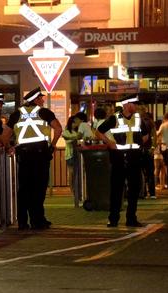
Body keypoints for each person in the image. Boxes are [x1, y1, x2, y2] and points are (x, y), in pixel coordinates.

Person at [7, 87, 62, 230]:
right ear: (35, 100)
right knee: (39, 188)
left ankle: (23, 222)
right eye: (41, 98)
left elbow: (5, 134)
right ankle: (38, 220)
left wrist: (10, 146)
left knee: (24, 189)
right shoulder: (43, 112)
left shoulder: (16, 114)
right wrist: (53, 144)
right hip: (40, 154)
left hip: (23, 154)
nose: (43, 100)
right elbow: (58, 128)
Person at [95, 94, 145, 227]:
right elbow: (98, 131)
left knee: (134, 189)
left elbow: (145, 135)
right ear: (126, 105)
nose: (136, 106)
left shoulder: (138, 118)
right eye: (133, 104)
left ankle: (131, 218)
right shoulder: (114, 118)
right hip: (118, 158)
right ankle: (113, 219)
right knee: (116, 189)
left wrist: (139, 144)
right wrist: (109, 142)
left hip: (134, 158)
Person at [62, 115, 83, 205]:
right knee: (71, 172)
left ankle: (78, 192)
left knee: (77, 173)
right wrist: (76, 138)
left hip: (78, 155)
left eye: (76, 122)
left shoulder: (77, 131)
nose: (75, 124)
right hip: (70, 154)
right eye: (74, 122)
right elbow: (68, 141)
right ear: (70, 123)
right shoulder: (67, 131)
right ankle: (72, 190)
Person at [140, 112, 157, 199]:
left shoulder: (138, 122)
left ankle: (143, 192)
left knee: (141, 172)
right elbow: (154, 136)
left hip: (140, 150)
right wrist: (153, 148)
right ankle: (152, 193)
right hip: (148, 150)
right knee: (150, 172)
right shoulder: (151, 123)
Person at [158, 112, 168, 189]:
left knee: (166, 166)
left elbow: (158, 134)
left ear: (165, 118)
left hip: (165, 147)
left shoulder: (163, 125)